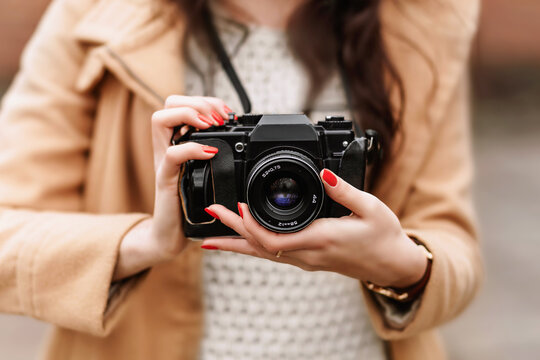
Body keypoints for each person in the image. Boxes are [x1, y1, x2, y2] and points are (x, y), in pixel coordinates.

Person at [0, 0, 482, 359]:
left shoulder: (424, 23)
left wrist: (403, 266)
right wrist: (143, 240)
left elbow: (456, 244)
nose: (283, 192)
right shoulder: (99, 15)